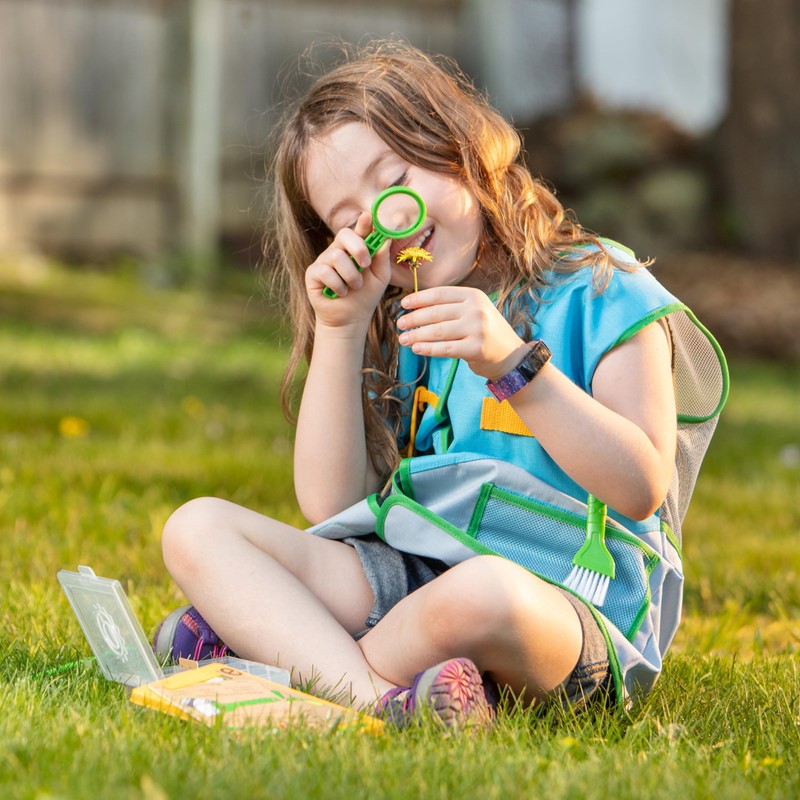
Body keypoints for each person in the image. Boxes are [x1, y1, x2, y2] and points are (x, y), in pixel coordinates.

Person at [155, 39, 728, 727]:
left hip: (568, 613)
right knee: (198, 528)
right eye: (348, 220)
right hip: (416, 577)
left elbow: (640, 485)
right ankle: (382, 703)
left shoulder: (606, 288)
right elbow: (331, 503)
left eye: (394, 174)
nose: (385, 219)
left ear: (462, 145)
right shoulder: (400, 318)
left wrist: (513, 366)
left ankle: (287, 652)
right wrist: (340, 331)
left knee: (482, 591)